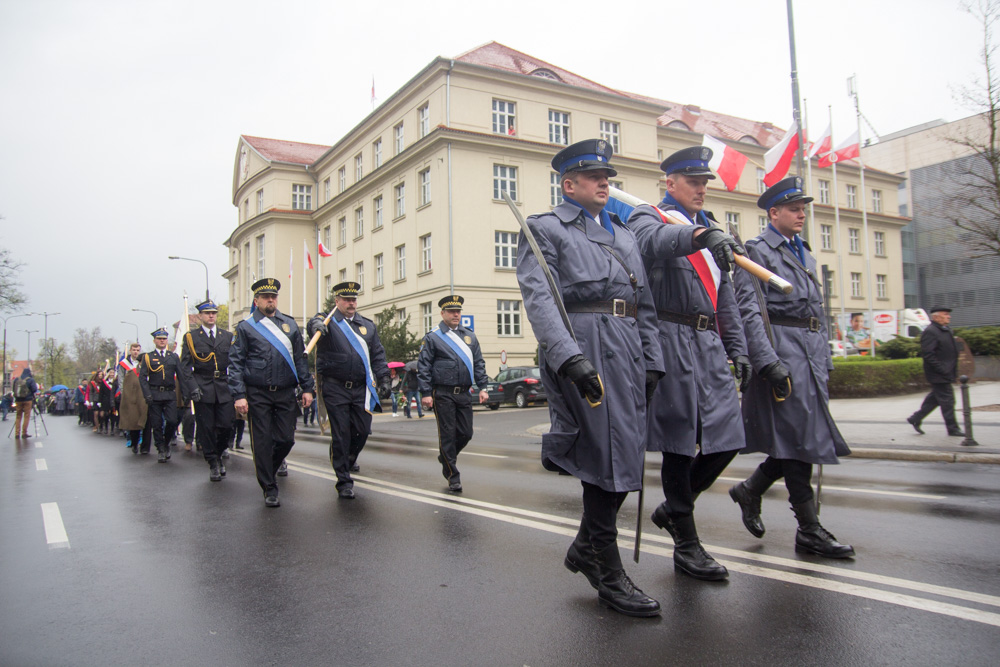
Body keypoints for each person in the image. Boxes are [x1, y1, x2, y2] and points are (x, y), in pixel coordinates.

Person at [516, 139, 664, 617]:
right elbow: (540, 299)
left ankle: (585, 548)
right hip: (585, 347)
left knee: (625, 458)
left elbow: (644, 304)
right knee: (603, 455)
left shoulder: (624, 235)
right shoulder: (546, 229)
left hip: (626, 346)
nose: (605, 183)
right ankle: (608, 569)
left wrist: (653, 358)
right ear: (569, 184)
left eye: (608, 176)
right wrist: (568, 358)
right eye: (594, 176)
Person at [626, 146, 750, 581]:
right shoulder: (651, 216)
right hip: (671, 337)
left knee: (729, 437)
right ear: (671, 184)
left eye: (705, 182)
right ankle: (687, 543)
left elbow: (726, 298)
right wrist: (698, 238)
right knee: (680, 442)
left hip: (709, 341)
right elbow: (649, 243)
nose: (701, 189)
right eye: (693, 181)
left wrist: (738, 349)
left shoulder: (711, 227)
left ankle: (673, 510)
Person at [729, 176, 855, 559]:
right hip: (784, 351)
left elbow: (817, 309)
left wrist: (826, 358)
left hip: (811, 354)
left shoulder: (805, 252)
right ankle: (809, 528)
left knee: (801, 439)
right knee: (802, 442)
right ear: (774, 213)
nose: (802, 214)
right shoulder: (757, 251)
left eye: (803, 208)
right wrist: (767, 360)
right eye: (794, 208)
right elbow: (749, 310)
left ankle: (751, 490)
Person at [229, 278, 315, 507]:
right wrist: (239, 395)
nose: (271, 300)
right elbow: (236, 363)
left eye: (274, 296)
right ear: (256, 300)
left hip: (285, 392)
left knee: (286, 439)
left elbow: (300, 359)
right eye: (266, 297)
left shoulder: (289, 325)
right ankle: (269, 487)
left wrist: (308, 388)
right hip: (258, 393)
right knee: (263, 442)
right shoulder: (246, 327)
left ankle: (269, 467)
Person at [308, 281, 391, 499]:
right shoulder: (328, 322)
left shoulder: (367, 326)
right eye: (346, 300)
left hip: (361, 389)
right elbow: (314, 322)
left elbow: (378, 356)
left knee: (362, 431)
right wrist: (316, 324)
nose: (351, 303)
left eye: (354, 299)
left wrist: (384, 379)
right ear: (337, 302)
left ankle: (349, 458)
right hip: (335, 388)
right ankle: (343, 480)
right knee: (341, 433)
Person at [417, 295, 489, 493]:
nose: (456, 314)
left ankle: (445, 456)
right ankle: (452, 474)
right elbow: (424, 367)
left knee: (466, 433)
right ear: (442, 313)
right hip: (443, 393)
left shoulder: (469, 336)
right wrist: (426, 392)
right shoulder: (433, 337)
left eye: (458, 311)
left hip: (464, 393)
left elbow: (479, 363)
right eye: (451, 311)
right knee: (448, 434)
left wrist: (483, 387)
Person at [179, 299, 236, 482]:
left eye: (213, 313)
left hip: (224, 386)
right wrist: (192, 388)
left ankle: (219, 454)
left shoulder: (226, 336)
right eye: (207, 313)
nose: (211, 316)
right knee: (207, 428)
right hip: (203, 385)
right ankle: (212, 462)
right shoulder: (191, 337)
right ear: (200, 316)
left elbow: (235, 363)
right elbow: (185, 368)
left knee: (226, 426)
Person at [907, 306, 963, 437]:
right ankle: (953, 428)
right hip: (939, 374)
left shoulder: (945, 330)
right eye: (945, 314)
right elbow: (928, 355)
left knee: (935, 399)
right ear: (936, 317)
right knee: (948, 401)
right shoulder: (931, 331)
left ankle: (915, 418)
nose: (948, 316)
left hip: (946, 372)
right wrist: (942, 369)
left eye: (948, 314)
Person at [139, 328, 181, 462]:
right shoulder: (148, 357)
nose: (162, 341)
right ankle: (160, 449)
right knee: (156, 424)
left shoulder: (173, 356)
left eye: (164, 339)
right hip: (155, 393)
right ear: (154, 341)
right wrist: (147, 394)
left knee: (172, 421)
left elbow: (181, 376)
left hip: (169, 393)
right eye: (159, 339)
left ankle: (166, 441)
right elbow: (143, 378)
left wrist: (186, 393)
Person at [118, 342, 150, 454]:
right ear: (130, 351)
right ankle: (133, 441)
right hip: (130, 395)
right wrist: (124, 394)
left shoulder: (144, 364)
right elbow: (121, 380)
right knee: (132, 420)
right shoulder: (124, 364)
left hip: (143, 395)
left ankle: (144, 445)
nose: (136, 352)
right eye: (134, 350)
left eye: (138, 350)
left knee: (145, 420)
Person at [12, 368, 39, 438]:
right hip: (27, 400)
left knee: (18, 416)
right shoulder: (30, 380)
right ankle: (24, 433)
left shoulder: (16, 379)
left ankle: (17, 433)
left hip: (18, 400)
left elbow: (13, 389)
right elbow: (34, 389)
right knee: (26, 416)